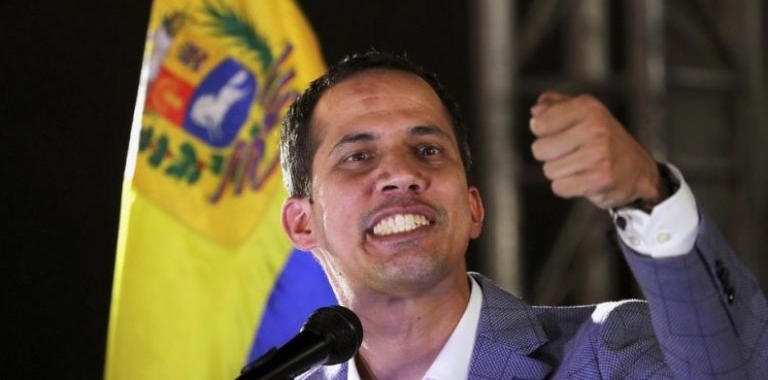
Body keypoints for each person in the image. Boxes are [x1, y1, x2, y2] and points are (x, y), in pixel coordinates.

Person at [278, 50, 767, 379]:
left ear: (473, 209)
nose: (402, 174)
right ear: (302, 223)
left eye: (428, 150)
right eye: (358, 157)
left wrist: (647, 193)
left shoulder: (607, 354)